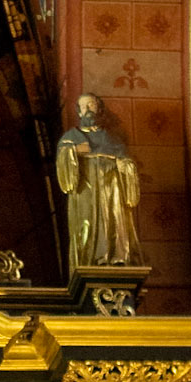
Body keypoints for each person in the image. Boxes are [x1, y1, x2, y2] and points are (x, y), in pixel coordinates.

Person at [54, 93, 141, 269]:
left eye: (91, 105)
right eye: (83, 106)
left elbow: (126, 162)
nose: (87, 110)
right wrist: (74, 151)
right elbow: (63, 164)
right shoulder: (71, 137)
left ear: (98, 108)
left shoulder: (113, 139)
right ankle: (89, 261)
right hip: (85, 188)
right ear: (78, 112)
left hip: (111, 187)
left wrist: (123, 165)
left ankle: (116, 257)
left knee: (114, 220)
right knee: (87, 223)